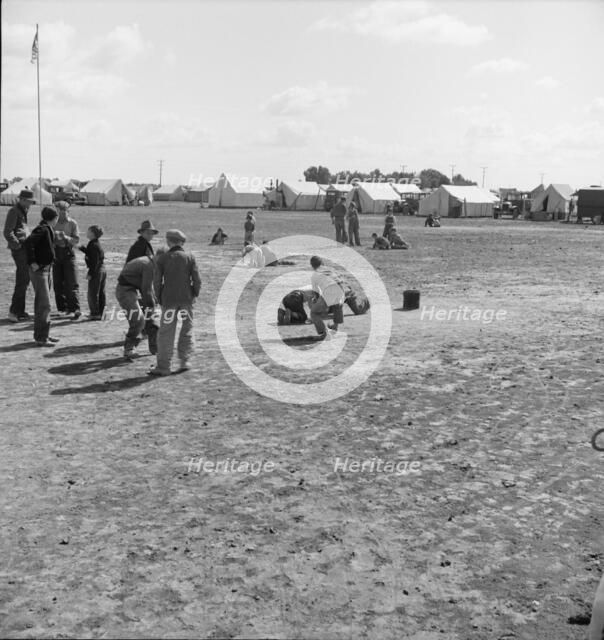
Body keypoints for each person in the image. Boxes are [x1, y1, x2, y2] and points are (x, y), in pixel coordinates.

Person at [150, 229, 201, 376]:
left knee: (166, 332)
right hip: (187, 299)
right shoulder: (190, 257)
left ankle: (164, 366)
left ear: (168, 241)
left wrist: (159, 297)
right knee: (187, 328)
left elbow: (157, 281)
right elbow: (197, 279)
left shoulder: (163, 258)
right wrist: (194, 294)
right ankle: (184, 361)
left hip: (169, 300)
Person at [24, 206, 59, 346]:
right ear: (55, 218)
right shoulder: (43, 229)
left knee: (44, 303)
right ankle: (41, 337)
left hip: (45, 269)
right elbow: (28, 242)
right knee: (44, 304)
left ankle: (44, 334)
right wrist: (32, 261)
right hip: (40, 271)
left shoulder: (45, 228)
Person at [115, 255, 158, 359]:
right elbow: (146, 289)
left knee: (152, 321)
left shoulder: (150, 262)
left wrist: (153, 301)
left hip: (134, 289)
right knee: (138, 320)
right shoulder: (148, 265)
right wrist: (152, 305)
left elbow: (148, 287)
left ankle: (156, 348)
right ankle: (129, 348)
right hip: (125, 290)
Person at [3, 188, 34, 322]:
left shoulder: (23, 210)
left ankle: (20, 311)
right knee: (22, 280)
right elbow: (7, 232)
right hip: (20, 250)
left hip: (24, 248)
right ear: (21, 200)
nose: (30, 204)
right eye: (29, 202)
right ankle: (14, 312)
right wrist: (18, 246)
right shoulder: (14, 211)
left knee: (24, 280)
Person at [52, 200, 81, 320]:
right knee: (58, 283)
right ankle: (62, 309)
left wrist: (66, 237)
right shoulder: (52, 223)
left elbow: (76, 240)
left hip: (68, 253)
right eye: (59, 211)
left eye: (64, 211)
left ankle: (75, 309)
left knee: (72, 282)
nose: (62, 213)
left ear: (68, 211)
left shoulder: (72, 223)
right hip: (55, 254)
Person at [310, 255, 345, 339]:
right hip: (341, 288)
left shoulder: (314, 275)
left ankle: (324, 334)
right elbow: (340, 279)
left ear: (312, 266)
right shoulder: (331, 269)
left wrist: (315, 300)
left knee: (314, 313)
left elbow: (316, 293)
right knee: (337, 305)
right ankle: (335, 327)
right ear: (322, 263)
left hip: (330, 290)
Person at [79, 225, 106, 320]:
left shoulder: (93, 245)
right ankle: (101, 313)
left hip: (97, 270)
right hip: (102, 269)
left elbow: (94, 261)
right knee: (100, 292)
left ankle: (95, 313)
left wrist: (90, 273)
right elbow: (89, 253)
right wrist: (80, 247)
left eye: (88, 231)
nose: (86, 232)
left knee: (92, 293)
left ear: (93, 234)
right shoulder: (95, 243)